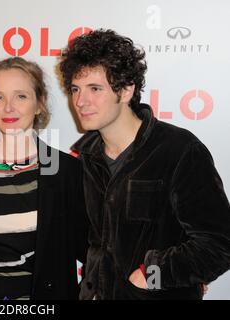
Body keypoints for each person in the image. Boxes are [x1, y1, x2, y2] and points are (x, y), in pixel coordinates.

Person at [59, 29, 230, 300]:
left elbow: (219, 245)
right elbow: (94, 242)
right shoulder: (85, 160)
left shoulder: (179, 150)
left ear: (126, 90)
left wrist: (154, 274)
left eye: (95, 89)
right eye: (75, 89)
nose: (80, 101)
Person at [0, 57, 89, 300]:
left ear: (39, 103)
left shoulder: (67, 171)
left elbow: (88, 250)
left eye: (20, 96)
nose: (8, 107)